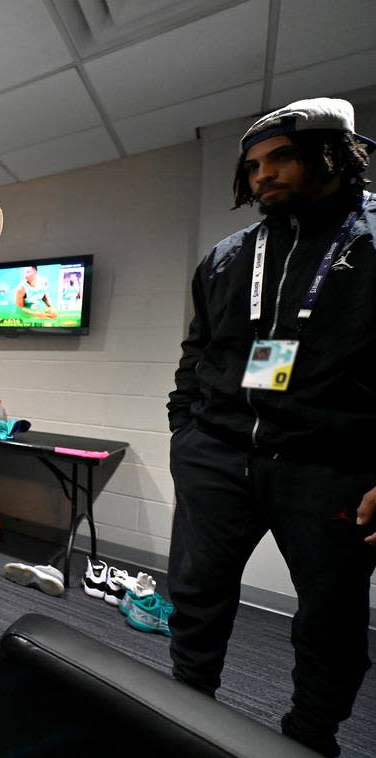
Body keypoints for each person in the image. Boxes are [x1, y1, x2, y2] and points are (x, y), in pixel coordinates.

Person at [166, 97, 376, 756]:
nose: (263, 175)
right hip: (217, 455)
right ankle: (185, 713)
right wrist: (185, 437)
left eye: (280, 157)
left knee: (331, 624)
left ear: (330, 154)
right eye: (253, 164)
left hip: (330, 467)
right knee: (196, 598)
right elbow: (197, 355)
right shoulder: (228, 257)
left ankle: (309, 740)